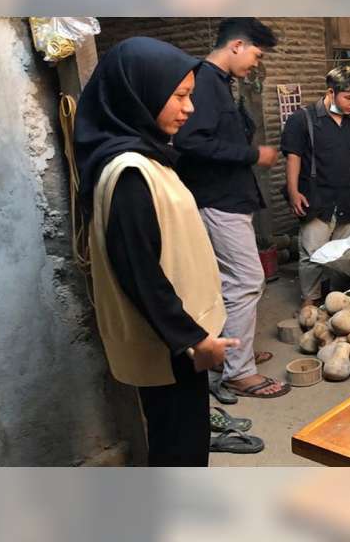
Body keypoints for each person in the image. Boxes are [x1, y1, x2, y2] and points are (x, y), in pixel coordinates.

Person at [74, 36, 241, 466]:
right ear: (140, 94)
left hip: (175, 343)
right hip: (171, 348)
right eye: (181, 96)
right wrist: (193, 341)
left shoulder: (147, 158)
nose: (189, 109)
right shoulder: (130, 171)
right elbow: (138, 270)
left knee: (184, 442)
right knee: (179, 450)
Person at [174, 18, 290, 401]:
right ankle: (238, 373)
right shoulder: (204, 82)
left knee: (229, 282)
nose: (256, 63)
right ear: (237, 45)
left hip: (230, 197)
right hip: (217, 200)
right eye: (256, 54)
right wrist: (254, 154)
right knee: (246, 280)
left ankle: (229, 353)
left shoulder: (221, 83)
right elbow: (190, 141)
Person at [281, 65, 350, 306]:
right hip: (316, 198)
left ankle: (342, 301)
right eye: (349, 97)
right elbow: (293, 157)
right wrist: (294, 191)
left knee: (349, 254)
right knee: (313, 254)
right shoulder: (302, 120)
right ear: (330, 92)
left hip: (349, 198)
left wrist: (343, 171)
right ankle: (310, 302)